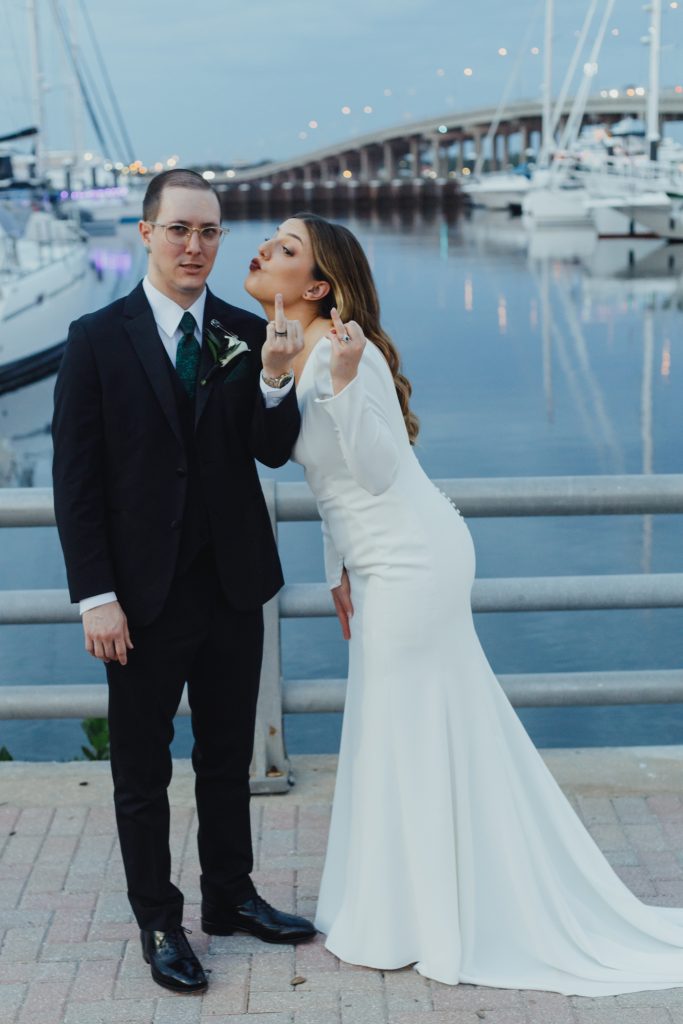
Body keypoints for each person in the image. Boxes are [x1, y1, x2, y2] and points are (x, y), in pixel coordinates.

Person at [244, 211, 683, 995]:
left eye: (284, 247)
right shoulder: (291, 349)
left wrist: (344, 384)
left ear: (316, 286)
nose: (262, 250)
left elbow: (376, 471)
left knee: (408, 727)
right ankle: (405, 907)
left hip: (414, 558)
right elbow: (325, 483)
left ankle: (433, 918)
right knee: (396, 723)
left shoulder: (349, 354)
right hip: (376, 561)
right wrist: (338, 568)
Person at [52, 170, 315, 995]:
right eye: (179, 230)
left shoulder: (248, 331)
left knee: (226, 758)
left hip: (233, 585)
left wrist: (276, 378)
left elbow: (271, 451)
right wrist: (97, 597)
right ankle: (159, 921)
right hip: (138, 600)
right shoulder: (96, 339)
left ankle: (229, 898)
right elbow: (76, 482)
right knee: (141, 772)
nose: (194, 246)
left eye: (208, 232)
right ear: (146, 233)